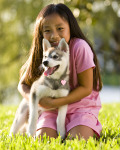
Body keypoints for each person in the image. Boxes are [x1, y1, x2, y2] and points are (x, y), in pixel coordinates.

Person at [18, 3, 102, 140]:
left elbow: (86, 88)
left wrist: (54, 103)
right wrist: (38, 101)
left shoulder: (80, 47)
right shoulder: (44, 52)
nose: (54, 36)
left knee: (78, 140)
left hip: (80, 108)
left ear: (70, 27)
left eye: (60, 28)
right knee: (43, 140)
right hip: (51, 111)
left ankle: (86, 125)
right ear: (41, 33)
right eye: (47, 31)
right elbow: (22, 84)